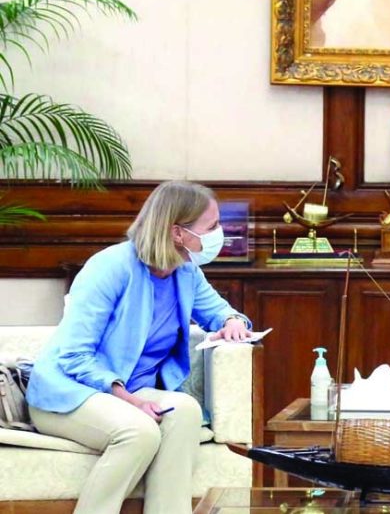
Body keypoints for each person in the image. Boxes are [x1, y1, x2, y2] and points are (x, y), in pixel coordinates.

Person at [25, 180, 253, 514]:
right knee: (138, 432)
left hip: (128, 391)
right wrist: (128, 400)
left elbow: (219, 311)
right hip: (69, 392)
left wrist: (232, 321)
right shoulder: (110, 267)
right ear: (178, 232)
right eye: (212, 226)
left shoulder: (185, 270)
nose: (220, 233)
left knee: (185, 411)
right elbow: (74, 355)